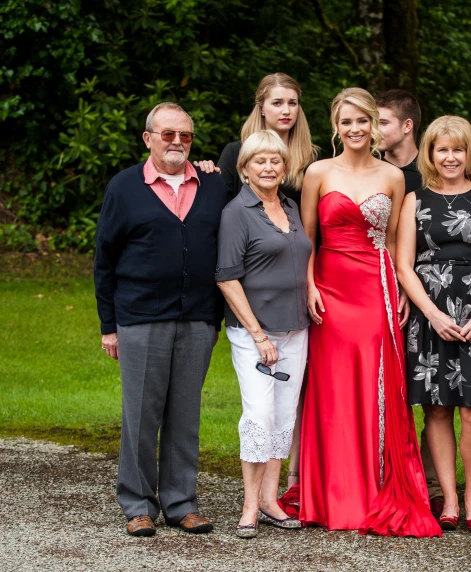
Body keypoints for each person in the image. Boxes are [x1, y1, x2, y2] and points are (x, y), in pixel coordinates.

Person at [298, 87, 441, 537]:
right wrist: (307, 286)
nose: (357, 129)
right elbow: (306, 239)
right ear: (336, 127)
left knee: (373, 383)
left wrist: (401, 287)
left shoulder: (394, 176)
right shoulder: (318, 172)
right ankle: (330, 492)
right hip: (329, 287)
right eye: (347, 122)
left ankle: (375, 487)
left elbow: (399, 239)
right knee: (332, 387)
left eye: (365, 120)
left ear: (375, 126)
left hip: (374, 286)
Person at [94, 102, 227, 537]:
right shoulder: (124, 187)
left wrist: (216, 318)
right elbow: (105, 260)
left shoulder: (211, 184)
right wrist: (108, 325)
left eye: (185, 135)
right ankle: (137, 504)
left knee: (185, 414)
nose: (176, 142)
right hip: (140, 318)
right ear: (148, 138)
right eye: (167, 134)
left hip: (197, 319)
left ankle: (180, 502)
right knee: (141, 415)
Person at [396, 116, 471, 532]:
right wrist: (432, 313)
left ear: (469, 153)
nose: (450, 157)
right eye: (442, 149)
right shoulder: (415, 199)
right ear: (429, 153)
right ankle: (447, 498)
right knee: (438, 410)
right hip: (432, 313)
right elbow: (404, 266)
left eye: (458, 150)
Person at [215, 130, 312, 538]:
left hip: (296, 329)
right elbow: (226, 277)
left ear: (284, 167)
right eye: (260, 161)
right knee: (258, 416)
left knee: (284, 419)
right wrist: (258, 335)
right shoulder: (237, 212)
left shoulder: (290, 206)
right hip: (255, 333)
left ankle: (272, 500)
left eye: (276, 160)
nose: (269, 167)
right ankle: (249, 507)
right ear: (245, 168)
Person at [217, 72, 320, 206]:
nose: (286, 111)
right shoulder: (234, 152)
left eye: (292, 103)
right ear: (261, 108)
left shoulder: (311, 157)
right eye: (277, 103)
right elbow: (218, 207)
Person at [376, 89, 422, 194]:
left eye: (383, 123)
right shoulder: (369, 171)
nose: (375, 130)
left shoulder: (434, 172)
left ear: (407, 126)